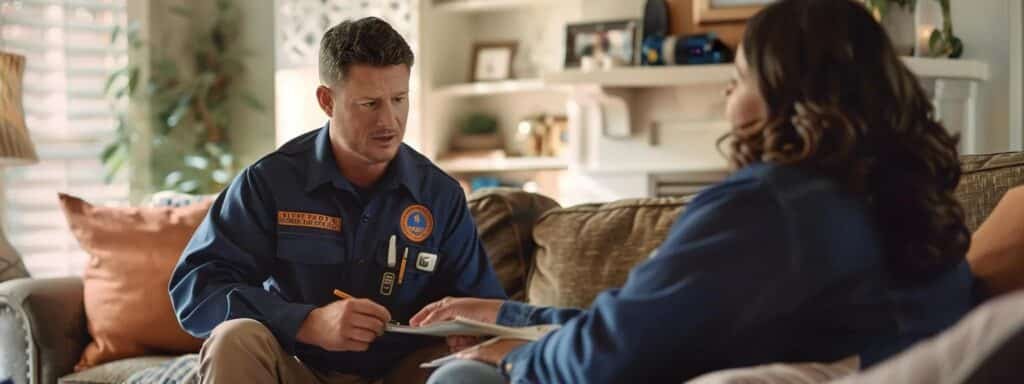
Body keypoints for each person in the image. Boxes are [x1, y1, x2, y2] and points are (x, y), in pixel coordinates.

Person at [413, 0, 976, 382]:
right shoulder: (900, 202)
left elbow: (611, 353)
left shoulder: (771, 206)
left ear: (790, 93)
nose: (729, 89)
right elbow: (654, 322)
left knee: (461, 375)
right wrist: (511, 317)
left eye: (741, 73)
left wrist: (516, 361)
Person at [168, 17, 506, 384]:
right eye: (369, 103)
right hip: (299, 367)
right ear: (327, 101)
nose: (389, 121)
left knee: (470, 364)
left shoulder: (440, 195)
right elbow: (197, 288)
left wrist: (467, 326)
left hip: (402, 373)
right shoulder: (270, 182)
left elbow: (485, 306)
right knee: (233, 339)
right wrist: (306, 322)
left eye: (399, 99)